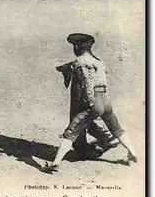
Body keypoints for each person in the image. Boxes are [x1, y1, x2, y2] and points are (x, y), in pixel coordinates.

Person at [43, 33, 138, 173]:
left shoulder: (80, 62)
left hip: (94, 101)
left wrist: (91, 105)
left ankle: (55, 163)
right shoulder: (98, 61)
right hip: (105, 99)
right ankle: (133, 153)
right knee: (117, 129)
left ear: (76, 47)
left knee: (71, 131)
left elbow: (87, 84)